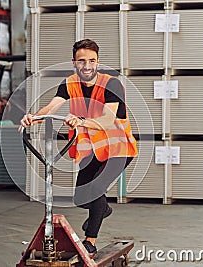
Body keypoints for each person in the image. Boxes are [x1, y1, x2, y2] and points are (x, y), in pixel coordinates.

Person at [20, 39, 138, 256]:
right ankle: (101, 209)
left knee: (95, 190)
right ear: (74, 63)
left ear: (98, 62)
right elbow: (52, 106)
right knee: (81, 198)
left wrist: (81, 120)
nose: (87, 66)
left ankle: (90, 241)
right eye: (82, 61)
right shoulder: (69, 83)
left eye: (92, 61)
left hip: (117, 150)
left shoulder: (111, 84)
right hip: (91, 150)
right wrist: (32, 118)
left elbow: (107, 118)